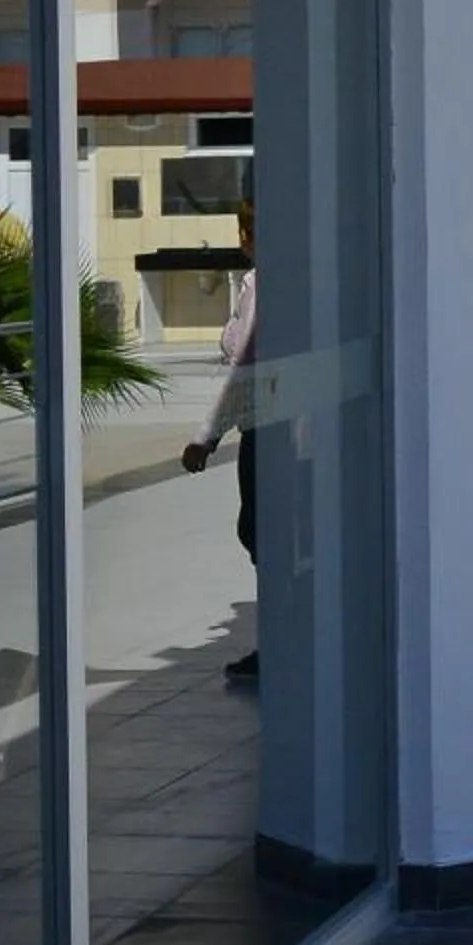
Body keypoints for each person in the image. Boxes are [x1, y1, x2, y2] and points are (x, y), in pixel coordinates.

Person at [182, 199, 259, 681]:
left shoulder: (260, 286)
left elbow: (243, 368)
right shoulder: (258, 283)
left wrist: (205, 437)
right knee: (259, 534)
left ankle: (279, 641)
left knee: (260, 534)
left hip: (265, 429)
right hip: (274, 426)